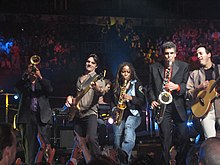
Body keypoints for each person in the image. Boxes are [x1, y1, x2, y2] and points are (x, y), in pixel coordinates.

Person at [148, 41, 190, 165]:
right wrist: (153, 100)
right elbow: (150, 87)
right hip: (163, 107)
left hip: (178, 105)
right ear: (162, 54)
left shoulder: (184, 66)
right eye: (166, 54)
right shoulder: (154, 67)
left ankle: (181, 162)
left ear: (175, 54)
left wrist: (176, 87)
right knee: (165, 139)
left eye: (171, 53)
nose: (169, 56)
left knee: (184, 138)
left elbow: (185, 86)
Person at [64, 54, 106, 157]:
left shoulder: (98, 78)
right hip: (78, 113)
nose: (89, 64)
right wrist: (69, 98)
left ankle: (99, 162)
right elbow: (75, 94)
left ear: (96, 66)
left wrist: (96, 87)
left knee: (91, 138)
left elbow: (101, 92)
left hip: (91, 112)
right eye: (88, 61)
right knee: (78, 142)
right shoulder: (79, 78)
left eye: (92, 62)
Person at [15, 62, 54, 165]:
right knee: (29, 148)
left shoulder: (43, 82)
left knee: (46, 147)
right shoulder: (24, 83)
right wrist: (25, 76)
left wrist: (39, 76)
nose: (33, 71)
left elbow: (50, 90)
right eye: (31, 69)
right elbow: (17, 87)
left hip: (43, 118)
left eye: (34, 69)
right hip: (28, 118)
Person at [112, 62, 145, 163]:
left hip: (134, 114)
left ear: (131, 73)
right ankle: (118, 159)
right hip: (120, 115)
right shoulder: (116, 85)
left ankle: (124, 157)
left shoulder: (137, 84)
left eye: (128, 72)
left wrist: (131, 98)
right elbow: (112, 102)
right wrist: (115, 109)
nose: (125, 74)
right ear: (120, 73)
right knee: (117, 137)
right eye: (123, 72)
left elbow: (142, 101)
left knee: (129, 127)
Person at [186, 44, 220, 139]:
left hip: (219, 106)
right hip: (205, 111)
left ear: (209, 54)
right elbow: (188, 93)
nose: (198, 56)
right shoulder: (194, 74)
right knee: (210, 141)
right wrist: (198, 88)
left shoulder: (219, 69)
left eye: (201, 53)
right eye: (197, 54)